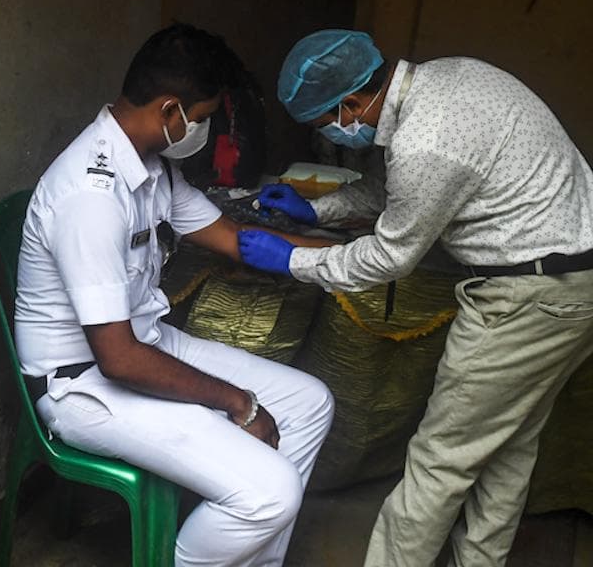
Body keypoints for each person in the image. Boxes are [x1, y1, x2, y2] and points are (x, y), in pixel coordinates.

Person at [240, 29, 593, 567]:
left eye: (327, 125)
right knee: (508, 448)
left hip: (529, 296)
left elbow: (389, 256)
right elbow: (396, 189)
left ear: (352, 103)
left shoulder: (424, 138)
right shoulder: (447, 77)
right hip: (571, 281)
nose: (336, 136)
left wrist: (293, 259)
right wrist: (319, 211)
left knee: (439, 461)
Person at [14, 23, 335, 566]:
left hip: (145, 343)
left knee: (309, 404)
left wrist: (334, 253)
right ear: (170, 111)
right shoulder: (90, 196)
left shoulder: (150, 167)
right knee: (270, 493)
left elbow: (231, 238)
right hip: (83, 382)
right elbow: (116, 361)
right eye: (202, 117)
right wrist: (238, 402)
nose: (202, 130)